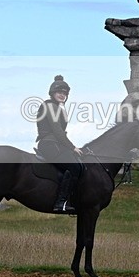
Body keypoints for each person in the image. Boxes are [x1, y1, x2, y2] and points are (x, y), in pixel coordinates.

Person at [35, 75, 83, 214]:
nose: (62, 95)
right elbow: (57, 131)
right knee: (75, 168)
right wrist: (72, 147)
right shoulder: (50, 106)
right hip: (49, 144)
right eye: (59, 92)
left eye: (64, 93)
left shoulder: (57, 107)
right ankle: (61, 203)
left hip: (56, 144)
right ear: (52, 93)